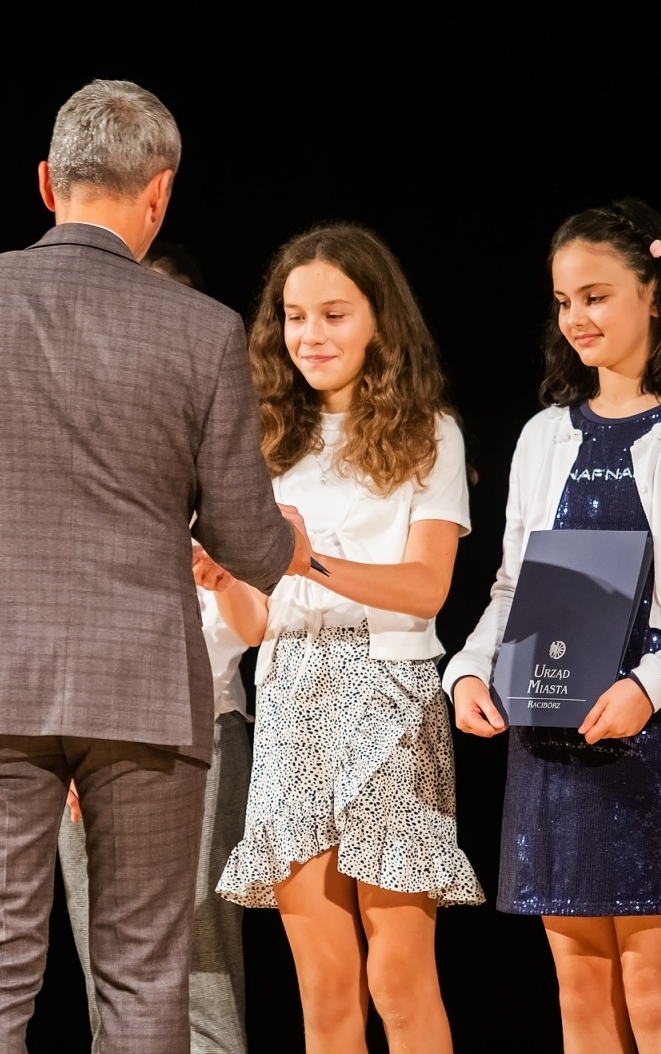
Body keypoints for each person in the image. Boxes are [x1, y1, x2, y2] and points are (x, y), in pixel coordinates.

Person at [0, 80, 304, 1054]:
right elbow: (246, 541)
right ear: (160, 193)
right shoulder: (202, 329)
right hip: (142, 684)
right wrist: (289, 542)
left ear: (45, 183)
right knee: (144, 972)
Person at [448, 200, 661, 1054]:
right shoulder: (542, 436)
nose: (576, 318)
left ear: (653, 292)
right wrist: (469, 670)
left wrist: (647, 688)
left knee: (654, 990)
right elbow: (513, 585)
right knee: (579, 990)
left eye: (596, 296)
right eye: (563, 301)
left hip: (660, 723)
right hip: (553, 721)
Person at [202, 223, 481, 1054]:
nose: (310, 336)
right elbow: (259, 624)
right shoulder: (264, 440)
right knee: (324, 987)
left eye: (334, 315)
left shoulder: (429, 431)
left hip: (387, 699)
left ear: (378, 321)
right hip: (290, 696)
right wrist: (225, 578)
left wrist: (306, 559)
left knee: (398, 977)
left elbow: (426, 587)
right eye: (295, 317)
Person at [57, 245, 254, 1054]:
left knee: (196, 977)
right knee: (109, 981)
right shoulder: (73, 451)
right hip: (81, 742)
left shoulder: (231, 447)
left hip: (193, 731)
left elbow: (243, 626)